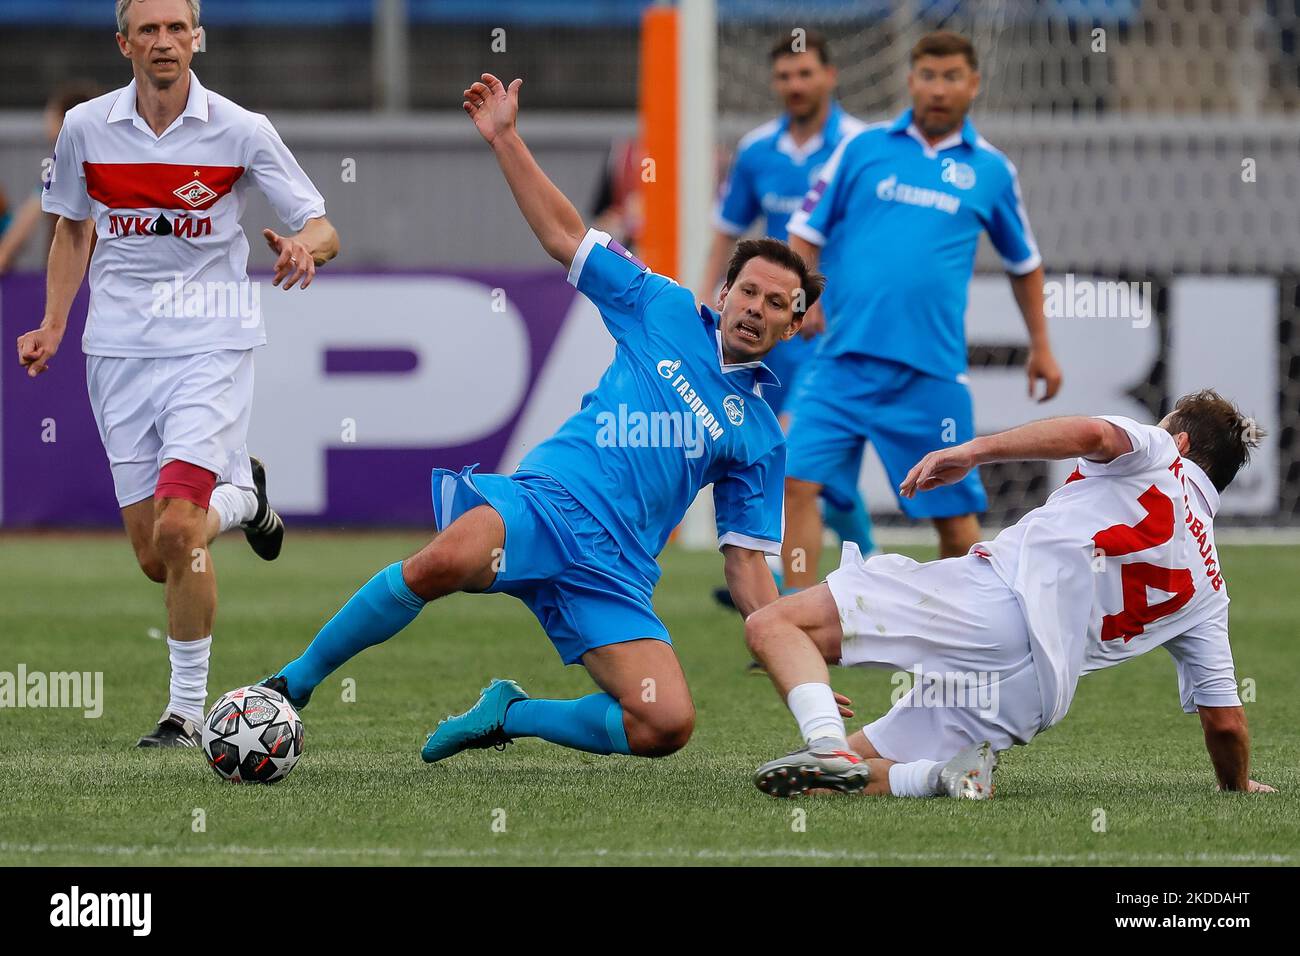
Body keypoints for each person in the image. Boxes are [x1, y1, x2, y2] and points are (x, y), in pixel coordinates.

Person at [261, 73, 828, 764]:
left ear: (796, 326)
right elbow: (565, 234)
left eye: (777, 304)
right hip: (547, 504)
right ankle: (293, 683)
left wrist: (787, 659)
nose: (756, 308)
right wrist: (505, 139)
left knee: (665, 724)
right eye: (749, 291)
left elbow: (744, 566)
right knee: (445, 559)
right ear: (725, 290)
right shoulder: (665, 306)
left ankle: (512, 714)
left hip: (614, 571)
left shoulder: (762, 439)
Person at [17, 0, 338, 747]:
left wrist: (301, 247)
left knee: (180, 527)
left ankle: (186, 714)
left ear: (198, 38)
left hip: (212, 345)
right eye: (149, 29)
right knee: (156, 556)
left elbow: (324, 226)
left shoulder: (239, 128)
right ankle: (246, 498)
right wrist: (55, 323)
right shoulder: (86, 130)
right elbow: (71, 226)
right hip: (120, 352)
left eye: (177, 28)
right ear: (123, 41)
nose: (164, 41)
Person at [745, 391, 1275, 800]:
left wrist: (973, 451)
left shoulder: (1160, 454)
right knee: (821, 777)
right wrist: (1238, 786)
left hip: (997, 603)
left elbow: (1093, 432)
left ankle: (826, 740)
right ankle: (935, 778)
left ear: (1179, 442)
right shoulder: (1210, 591)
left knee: (772, 626)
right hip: (1037, 692)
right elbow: (1224, 720)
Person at [782, 30, 1063, 593]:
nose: (938, 89)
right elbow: (802, 232)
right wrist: (802, 296)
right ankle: (798, 623)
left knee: (955, 521)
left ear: (973, 84)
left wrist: (1041, 345)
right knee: (793, 481)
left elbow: (1024, 261)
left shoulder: (991, 171)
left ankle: (963, 632)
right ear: (910, 80)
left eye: (952, 76)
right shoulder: (862, 149)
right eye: (928, 76)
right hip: (841, 363)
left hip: (929, 375)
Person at [704, 31, 876, 612]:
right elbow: (727, 231)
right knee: (795, 462)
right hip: (769, 331)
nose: (795, 85)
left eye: (806, 74)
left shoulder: (861, 146)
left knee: (804, 463)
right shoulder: (756, 151)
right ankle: (854, 577)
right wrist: (711, 300)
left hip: (835, 332)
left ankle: (798, 593)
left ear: (831, 77)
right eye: (785, 76)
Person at [0, 82, 100, 274]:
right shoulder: (111, 162)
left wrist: (4, 253)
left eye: (51, 115)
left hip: (69, 277)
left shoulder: (61, 166)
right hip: (110, 276)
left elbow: (25, 222)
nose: (47, 121)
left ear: (66, 120)